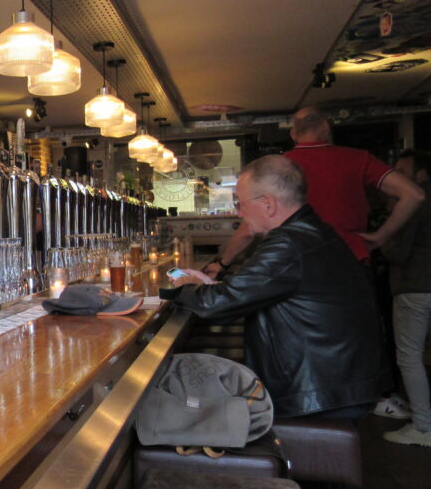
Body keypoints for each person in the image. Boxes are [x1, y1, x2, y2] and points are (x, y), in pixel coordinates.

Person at [166, 155, 384, 418]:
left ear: (268, 204)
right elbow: (247, 292)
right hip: (340, 378)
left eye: (241, 203)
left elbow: (218, 305)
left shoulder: (288, 243)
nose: (239, 212)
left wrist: (184, 286)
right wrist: (215, 287)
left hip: (318, 390)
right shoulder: (311, 230)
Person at [202, 106, 424, 277]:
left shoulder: (280, 167)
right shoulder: (357, 159)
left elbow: (249, 228)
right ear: (326, 127)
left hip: (296, 265)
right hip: (349, 260)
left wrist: (222, 264)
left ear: (293, 134)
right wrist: (380, 236)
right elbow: (414, 194)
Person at [380, 149, 431, 445]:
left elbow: (397, 251)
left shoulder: (414, 203)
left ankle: (423, 427)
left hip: (415, 287)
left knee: (410, 357)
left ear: (420, 174)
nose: (396, 177)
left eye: (402, 171)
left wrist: (381, 238)